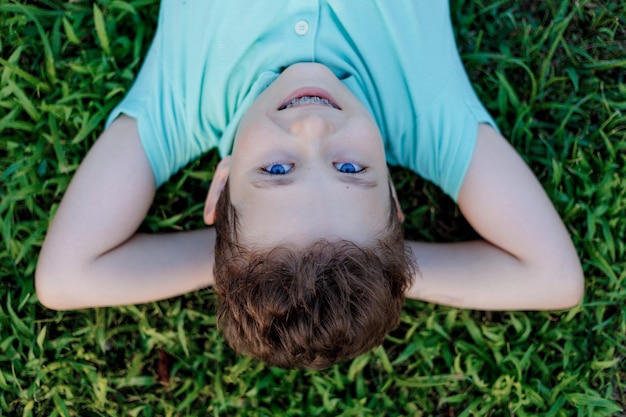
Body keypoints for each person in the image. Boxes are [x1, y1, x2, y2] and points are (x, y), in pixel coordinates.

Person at [35, 0, 584, 369]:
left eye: (276, 172)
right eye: (350, 170)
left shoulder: (181, 104)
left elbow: (65, 278)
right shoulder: (426, 114)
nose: (313, 128)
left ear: (220, 184)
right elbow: (554, 278)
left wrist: (242, 261)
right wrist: (378, 266)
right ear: (395, 199)